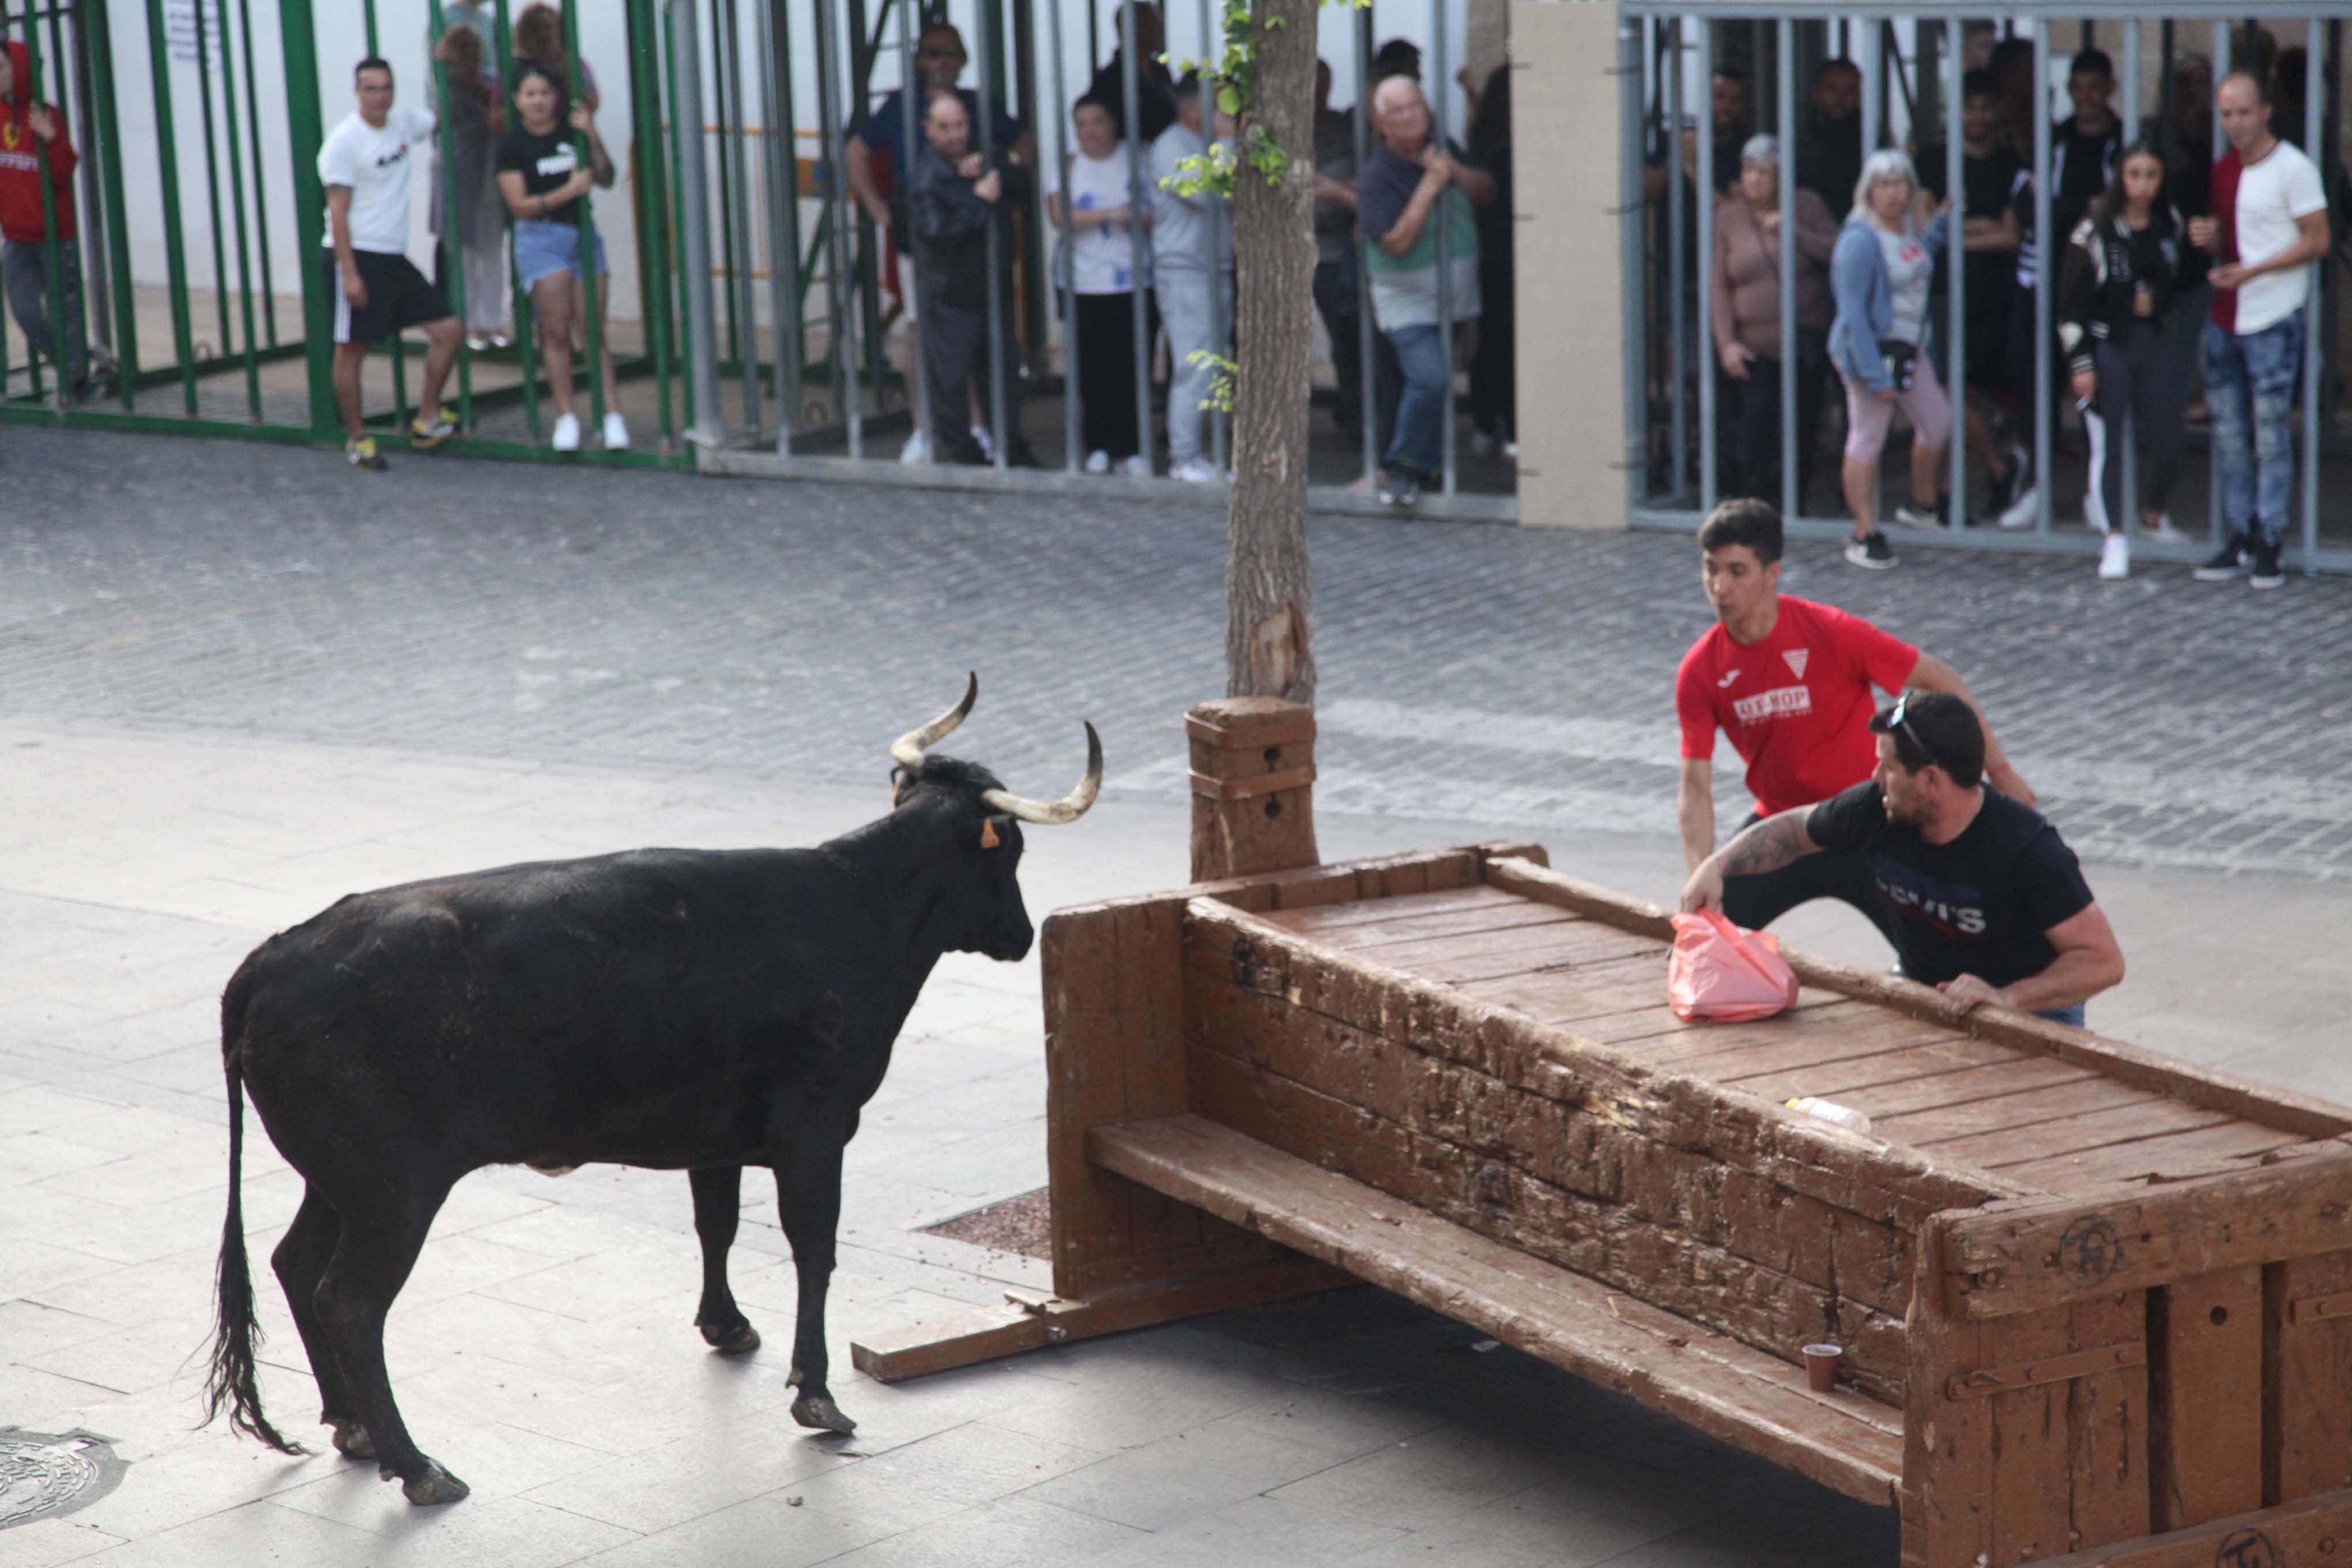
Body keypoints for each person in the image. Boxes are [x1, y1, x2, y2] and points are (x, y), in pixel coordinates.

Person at [1677, 499, 2033, 950]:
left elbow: (1941, 681)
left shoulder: (1830, 631)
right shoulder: (1700, 669)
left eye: (1736, 571)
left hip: (1868, 821)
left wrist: (1999, 771)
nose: (1719, 586)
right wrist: (1701, 874)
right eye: (1710, 570)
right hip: (1782, 828)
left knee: (1946, 959)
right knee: (1705, 937)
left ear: (1772, 573)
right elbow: (1694, 788)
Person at [1683, 691, 2123, 1028]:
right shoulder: (1876, 808)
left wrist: (2007, 998)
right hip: (1923, 989)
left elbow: (2102, 961)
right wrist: (1717, 866)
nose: (1875, 779)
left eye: (1888, 767)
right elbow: (1796, 830)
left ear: (1931, 780)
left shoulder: (2027, 849)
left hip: (2028, 1009)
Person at [843, 22, 1028, 463]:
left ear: (963, 58)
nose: (942, 61)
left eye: (950, 53)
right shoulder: (899, 106)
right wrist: (874, 205)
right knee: (921, 331)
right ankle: (924, 429)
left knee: (978, 338)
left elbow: (1024, 147)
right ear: (919, 60)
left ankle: (978, 429)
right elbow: (855, 151)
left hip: (975, 238)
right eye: (933, 53)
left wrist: (1003, 168)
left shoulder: (981, 104)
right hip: (923, 236)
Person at [2188, 71, 2328, 590]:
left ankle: (2269, 536)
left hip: (2272, 313)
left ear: (2265, 111)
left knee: (2269, 435)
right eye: (2226, 114)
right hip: (2227, 312)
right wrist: (2211, 239)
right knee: (2229, 435)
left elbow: (2318, 240)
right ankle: (2241, 532)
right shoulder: (2224, 169)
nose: (2235, 123)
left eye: (2243, 112)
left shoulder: (2293, 168)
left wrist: (2254, 270)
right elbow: (2230, 233)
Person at [319, 58, 463, 472]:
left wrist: (454, 65)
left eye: (386, 88)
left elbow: (442, 118)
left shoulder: (402, 124)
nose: (380, 97)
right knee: (353, 349)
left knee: (449, 330)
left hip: (393, 258)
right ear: (356, 92)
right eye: (370, 89)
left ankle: (428, 418)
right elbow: (337, 211)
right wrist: (349, 273)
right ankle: (358, 438)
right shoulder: (344, 142)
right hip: (357, 253)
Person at [1358, 73, 1493, 508]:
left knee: (1428, 384)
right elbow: (1395, 242)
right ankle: (1400, 468)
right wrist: (1432, 186)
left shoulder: (1442, 149)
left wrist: (1454, 173)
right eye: (1398, 110)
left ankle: (1428, 468)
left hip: (1453, 299)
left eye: (1415, 105)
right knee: (1430, 379)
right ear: (1382, 123)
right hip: (1406, 302)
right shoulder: (1377, 175)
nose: (1411, 116)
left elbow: (1487, 190)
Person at [2059, 144, 2193, 580]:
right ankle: (2115, 536)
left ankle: (2153, 513)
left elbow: (2186, 279)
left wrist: (2204, 247)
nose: (2141, 185)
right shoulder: (2095, 229)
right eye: (2133, 174)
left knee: (2170, 441)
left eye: (2150, 175)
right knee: (2109, 446)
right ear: (2120, 178)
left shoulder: (2168, 224)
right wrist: (2081, 363)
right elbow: (2069, 303)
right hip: (2108, 345)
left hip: (2153, 342)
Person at [1828, 150, 1951, 568]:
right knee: (1868, 437)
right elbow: (1853, 316)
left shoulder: (1906, 231)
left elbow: (1916, 259)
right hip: (1873, 354)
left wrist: (1942, 225)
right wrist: (1875, 376)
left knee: (1937, 422)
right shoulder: (1859, 240)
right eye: (1884, 184)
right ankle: (1864, 532)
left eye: (1901, 184)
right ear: (1868, 190)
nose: (1894, 193)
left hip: (1909, 349)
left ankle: (1922, 505)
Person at [496, 62, 626, 453]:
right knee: (555, 332)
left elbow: (605, 177)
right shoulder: (511, 144)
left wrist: (592, 135)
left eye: (545, 94)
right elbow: (519, 205)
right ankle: (567, 417)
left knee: (593, 331)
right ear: (518, 100)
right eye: (530, 94)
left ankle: (612, 415)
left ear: (556, 98)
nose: (538, 101)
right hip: (540, 238)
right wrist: (568, 191)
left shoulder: (572, 133)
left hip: (582, 235)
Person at [1920, 69, 2031, 525]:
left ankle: (1956, 490)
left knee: (1968, 393)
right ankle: (1995, 467)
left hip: (1991, 294)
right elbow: (1929, 228)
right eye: (1970, 107)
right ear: (1957, 111)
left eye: (1986, 108)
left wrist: (1957, 229)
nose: (1978, 117)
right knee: (1949, 392)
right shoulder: (1932, 159)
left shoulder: (2009, 163)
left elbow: (2011, 236)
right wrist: (1980, 228)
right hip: (1942, 291)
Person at [907, 91, 1036, 468]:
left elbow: (1021, 187)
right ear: (929, 131)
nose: (954, 135)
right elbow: (938, 232)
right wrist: (979, 199)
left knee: (1004, 376)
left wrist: (994, 167)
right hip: (951, 295)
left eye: (960, 125)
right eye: (944, 127)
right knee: (950, 382)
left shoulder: (985, 158)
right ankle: (965, 455)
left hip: (992, 290)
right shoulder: (927, 175)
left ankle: (1011, 449)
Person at [1709, 134, 1835, 504]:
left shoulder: (1807, 205)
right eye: (1749, 170)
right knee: (1754, 428)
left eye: (1764, 172)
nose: (1754, 179)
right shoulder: (1728, 216)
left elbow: (1837, 251)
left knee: (1800, 426)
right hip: (1753, 346)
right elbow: (1718, 285)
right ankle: (1753, 503)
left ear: (1781, 176)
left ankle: (1793, 504)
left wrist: (1791, 231)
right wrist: (1726, 342)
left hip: (1802, 342)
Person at [1045, 95, 1148, 477]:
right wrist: (1114, 213)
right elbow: (1060, 216)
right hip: (1084, 282)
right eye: (1082, 124)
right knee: (1092, 368)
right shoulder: (1068, 166)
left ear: (1114, 124)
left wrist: (1091, 216)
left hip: (1135, 280)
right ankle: (1099, 445)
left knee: (1133, 366)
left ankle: (1132, 446)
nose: (1090, 131)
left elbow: (1154, 211)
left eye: (1098, 121)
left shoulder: (1138, 158)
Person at [1149, 73, 1232, 485]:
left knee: (1212, 365)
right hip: (1185, 272)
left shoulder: (1202, 144)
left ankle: (1204, 452)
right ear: (1198, 109)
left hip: (1211, 267)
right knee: (1194, 365)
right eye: (1223, 104)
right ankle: (1183, 457)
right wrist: (1231, 140)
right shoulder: (1172, 147)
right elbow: (1209, 193)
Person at [0, 40, 90, 405]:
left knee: (64, 309)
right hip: (16, 236)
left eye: (3, 67)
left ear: (19, 71)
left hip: (54, 234)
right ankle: (74, 369)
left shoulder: (47, 113)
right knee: (23, 309)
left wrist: (51, 137)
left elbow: (64, 172)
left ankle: (74, 377)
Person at [429, 20, 510, 353]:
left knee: (486, 252)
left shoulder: (490, 82)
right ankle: (473, 323)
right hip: (461, 175)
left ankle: (488, 321)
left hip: (485, 174)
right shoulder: (450, 84)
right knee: (467, 253)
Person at [1464, 63, 1514, 458]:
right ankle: (1511, 427)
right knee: (1508, 341)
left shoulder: (1485, 137)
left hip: (1490, 252)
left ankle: (1486, 422)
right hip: (1506, 253)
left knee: (1493, 340)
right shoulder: (1509, 147)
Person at [1311, 59, 1362, 438]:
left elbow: (1364, 187)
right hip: (1290, 253)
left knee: (1348, 342)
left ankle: (1356, 417)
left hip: (1337, 254)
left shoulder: (1345, 129)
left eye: (1320, 83)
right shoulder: (1277, 131)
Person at [2050, 50, 2122, 250]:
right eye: (2078, 88)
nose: (2085, 97)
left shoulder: (2124, 141)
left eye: (2094, 87)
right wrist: (2089, 205)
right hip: (2059, 248)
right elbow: (2034, 204)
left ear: (2111, 88)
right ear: (2069, 89)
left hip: (2109, 246)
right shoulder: (2053, 140)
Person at [1088, 2, 1176, 147]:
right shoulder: (1108, 81)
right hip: (1127, 163)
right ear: (1132, 30)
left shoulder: (1160, 70)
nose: (1161, 30)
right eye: (1153, 24)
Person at [1795, 58, 1863, 216]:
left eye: (1850, 90)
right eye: (1832, 88)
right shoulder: (1800, 135)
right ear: (1816, 92)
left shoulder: (1867, 138)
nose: (1841, 97)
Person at [512, 2, 595, 115]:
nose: (543, 35)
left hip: (568, 129)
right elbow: (495, 118)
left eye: (548, 28)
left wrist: (568, 75)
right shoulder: (514, 67)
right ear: (525, 34)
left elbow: (592, 106)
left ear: (560, 31)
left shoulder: (575, 64)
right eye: (536, 29)